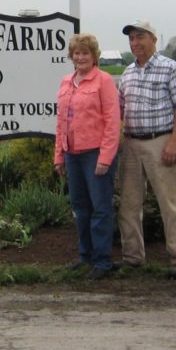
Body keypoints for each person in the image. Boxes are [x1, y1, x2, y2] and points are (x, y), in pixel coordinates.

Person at [117, 19, 176, 280]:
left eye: (140, 37)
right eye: (131, 39)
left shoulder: (169, 68)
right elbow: (119, 110)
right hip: (131, 143)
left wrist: (173, 141)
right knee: (128, 204)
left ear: (153, 39)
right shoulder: (127, 72)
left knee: (170, 203)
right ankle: (132, 257)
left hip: (161, 141)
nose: (135, 43)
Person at [53, 33, 121, 280]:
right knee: (80, 207)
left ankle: (102, 261)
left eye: (85, 53)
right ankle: (85, 256)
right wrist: (59, 155)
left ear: (94, 56)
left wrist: (106, 158)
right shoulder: (66, 82)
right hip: (72, 153)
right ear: (71, 56)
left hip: (95, 154)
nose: (80, 57)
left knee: (100, 208)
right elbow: (61, 121)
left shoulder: (103, 81)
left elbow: (112, 122)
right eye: (76, 53)